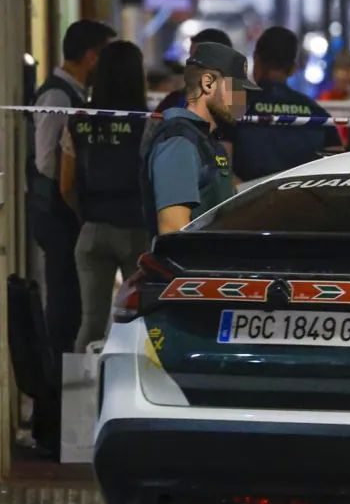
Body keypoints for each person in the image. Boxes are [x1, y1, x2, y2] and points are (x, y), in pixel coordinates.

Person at [30, 19, 116, 358]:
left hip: (66, 214)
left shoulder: (76, 95)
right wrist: (75, 197)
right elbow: (46, 163)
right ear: (91, 56)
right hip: (58, 215)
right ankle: (53, 399)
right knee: (64, 308)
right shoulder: (56, 95)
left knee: (75, 306)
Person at [59, 41, 150, 352]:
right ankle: (129, 394)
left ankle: (79, 399)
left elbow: (66, 185)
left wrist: (86, 216)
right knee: (139, 322)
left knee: (92, 322)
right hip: (137, 231)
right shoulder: (148, 124)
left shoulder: (79, 121)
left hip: (92, 230)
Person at [141, 42, 256, 238]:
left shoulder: (204, 140)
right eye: (236, 89)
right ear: (208, 83)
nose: (241, 100)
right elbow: (173, 233)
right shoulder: (179, 141)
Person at [229, 26, 343, 181]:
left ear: (256, 59)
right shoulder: (317, 113)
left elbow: (221, 164)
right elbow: (336, 167)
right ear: (293, 68)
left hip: (246, 199)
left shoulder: (234, 105)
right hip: (301, 200)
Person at [155, 28, 233, 112]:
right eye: (191, 57)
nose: (191, 63)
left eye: (198, 58)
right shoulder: (176, 99)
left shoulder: (238, 99)